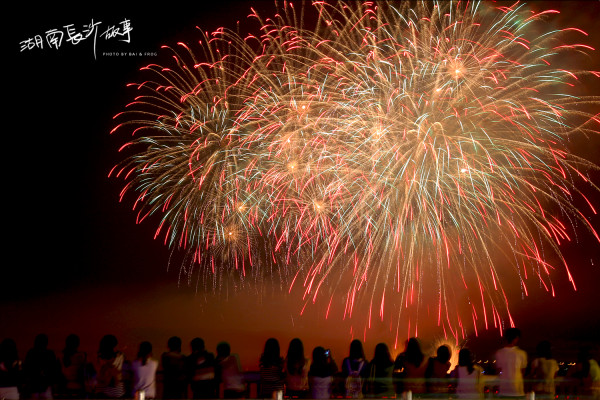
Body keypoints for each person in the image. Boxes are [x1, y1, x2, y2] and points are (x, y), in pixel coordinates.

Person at [24, 334, 59, 400]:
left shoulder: (31, 353)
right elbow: (54, 370)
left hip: (36, 386)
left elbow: (27, 370)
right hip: (42, 386)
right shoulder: (50, 353)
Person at [495, 328, 527, 398]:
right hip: (517, 389)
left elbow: (499, 371)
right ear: (516, 338)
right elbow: (523, 371)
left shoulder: (499, 353)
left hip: (504, 388)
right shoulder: (522, 353)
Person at [94, 334, 126, 398]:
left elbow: (98, 375)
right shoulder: (120, 356)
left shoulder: (99, 359)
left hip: (102, 392)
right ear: (113, 347)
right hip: (117, 392)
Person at [58, 334, 87, 399]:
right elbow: (84, 373)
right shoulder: (81, 356)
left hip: (65, 389)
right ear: (77, 344)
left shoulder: (60, 356)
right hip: (79, 388)